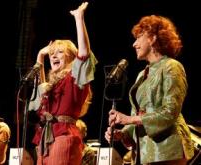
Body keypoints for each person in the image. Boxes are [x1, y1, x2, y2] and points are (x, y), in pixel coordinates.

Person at [104, 15, 194, 165]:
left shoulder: (172, 66)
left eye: (139, 38)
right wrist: (123, 133)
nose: (134, 44)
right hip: (144, 152)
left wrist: (128, 119)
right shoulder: (142, 74)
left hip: (167, 150)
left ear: (152, 38)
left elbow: (170, 111)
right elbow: (138, 115)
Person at [28, 2, 97, 165]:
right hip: (46, 139)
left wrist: (79, 19)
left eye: (59, 52)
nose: (53, 56)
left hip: (64, 137)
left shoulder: (74, 79)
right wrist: (40, 56)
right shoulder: (52, 84)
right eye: (52, 53)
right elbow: (40, 91)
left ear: (70, 57)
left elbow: (84, 55)